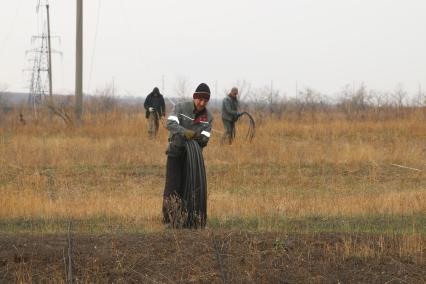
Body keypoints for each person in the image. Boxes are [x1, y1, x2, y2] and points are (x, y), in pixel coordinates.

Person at [162, 83, 213, 225]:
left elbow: (205, 139)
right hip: (176, 153)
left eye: (205, 100)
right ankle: (169, 220)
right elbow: (170, 124)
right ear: (194, 97)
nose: (202, 103)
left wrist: (198, 137)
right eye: (199, 99)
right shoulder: (180, 108)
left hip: (192, 159)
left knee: (189, 187)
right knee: (173, 186)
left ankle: (188, 219)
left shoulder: (208, 117)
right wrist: (186, 132)